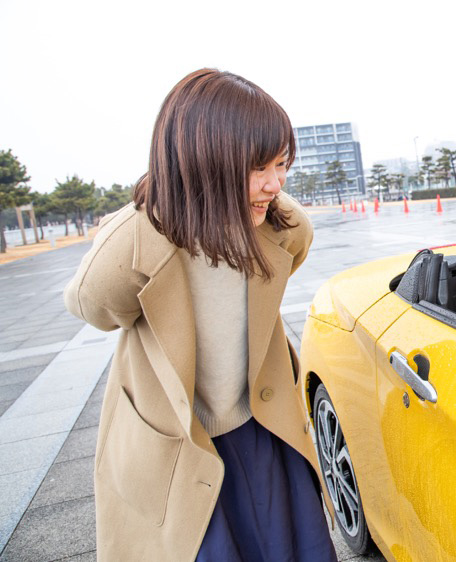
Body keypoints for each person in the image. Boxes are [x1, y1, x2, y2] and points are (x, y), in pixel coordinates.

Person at [64, 69, 337, 561]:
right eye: (258, 168)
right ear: (203, 162)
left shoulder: (279, 223)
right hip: (179, 441)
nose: (275, 183)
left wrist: (254, 199)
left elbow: (295, 247)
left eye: (281, 164)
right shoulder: (137, 239)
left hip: (263, 426)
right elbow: (92, 305)